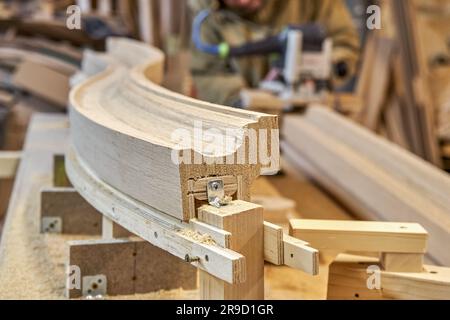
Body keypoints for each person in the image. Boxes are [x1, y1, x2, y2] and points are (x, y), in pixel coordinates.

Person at [189, 0, 360, 106]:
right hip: (243, 118)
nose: (244, 1)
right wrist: (239, 101)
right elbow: (208, 71)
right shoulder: (206, 12)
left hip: (308, 111)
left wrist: (331, 66)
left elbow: (343, 42)